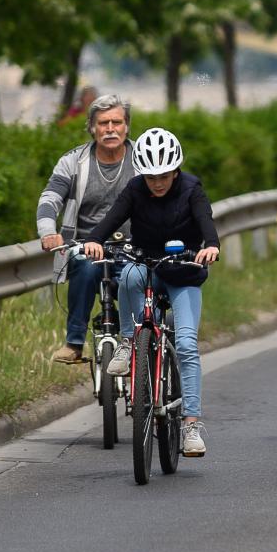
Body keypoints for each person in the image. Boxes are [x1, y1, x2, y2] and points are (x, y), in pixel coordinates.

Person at [83, 128, 222, 458]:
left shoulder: (191, 189)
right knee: (129, 274)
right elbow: (113, 217)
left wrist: (211, 246)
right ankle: (130, 343)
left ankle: (190, 425)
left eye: (163, 175)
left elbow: (206, 222)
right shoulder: (135, 189)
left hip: (184, 271)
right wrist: (94, 240)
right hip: (146, 265)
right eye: (150, 177)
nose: (157, 182)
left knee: (187, 344)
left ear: (175, 170)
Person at [37, 94, 137, 364]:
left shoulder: (143, 159)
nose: (110, 129)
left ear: (127, 126)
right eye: (103, 123)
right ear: (92, 127)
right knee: (86, 265)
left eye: (117, 122)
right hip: (87, 247)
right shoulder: (73, 162)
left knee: (137, 277)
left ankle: (143, 341)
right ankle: (74, 343)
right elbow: (49, 199)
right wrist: (48, 231)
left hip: (135, 247)